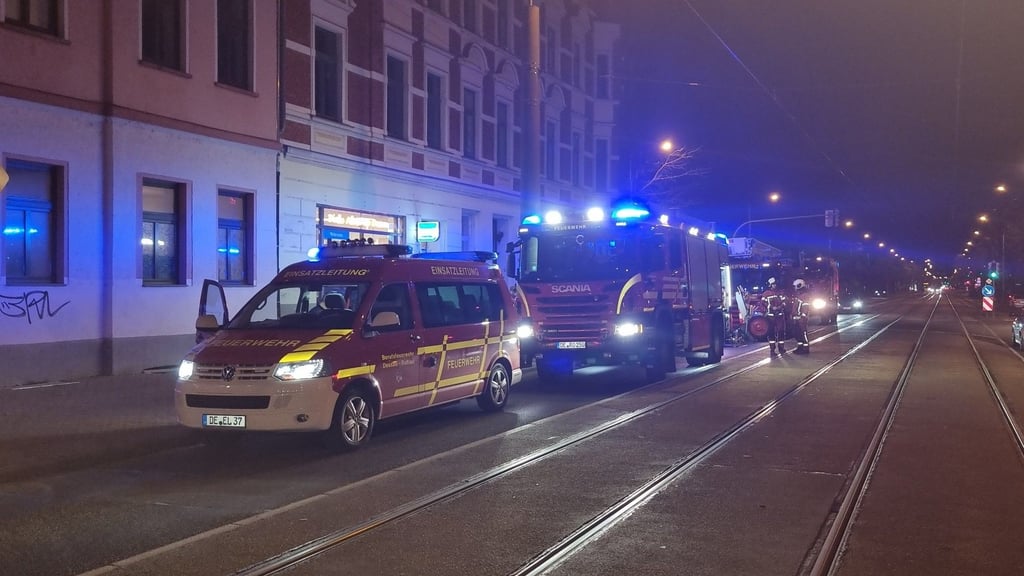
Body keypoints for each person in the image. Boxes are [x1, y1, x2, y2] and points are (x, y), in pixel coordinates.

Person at [762, 277, 788, 355]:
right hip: (771, 317)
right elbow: (763, 303)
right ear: (770, 285)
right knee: (771, 333)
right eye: (773, 284)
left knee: (781, 332)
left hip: (779, 316)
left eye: (775, 284)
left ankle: (781, 348)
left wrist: (780, 307)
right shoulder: (766, 294)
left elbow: (785, 302)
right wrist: (771, 308)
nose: (775, 285)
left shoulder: (780, 293)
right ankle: (772, 349)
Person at [791, 278, 811, 354]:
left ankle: (805, 348)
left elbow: (805, 307)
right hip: (797, 318)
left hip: (801, 319)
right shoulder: (799, 295)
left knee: (803, 333)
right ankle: (800, 347)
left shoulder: (804, 296)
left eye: (795, 286)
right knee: (797, 333)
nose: (794, 288)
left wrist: (802, 316)